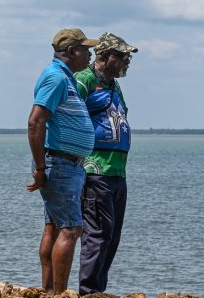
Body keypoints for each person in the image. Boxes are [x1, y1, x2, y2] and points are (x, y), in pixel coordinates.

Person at [26, 27, 98, 295]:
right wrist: (41, 168)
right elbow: (35, 121)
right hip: (60, 163)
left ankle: (47, 291)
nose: (89, 56)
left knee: (54, 226)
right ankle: (58, 293)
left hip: (65, 163)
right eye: (86, 50)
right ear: (71, 51)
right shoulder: (56, 78)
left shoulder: (64, 78)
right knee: (71, 229)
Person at [75, 32, 138, 295]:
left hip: (117, 171)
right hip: (95, 169)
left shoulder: (114, 84)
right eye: (122, 56)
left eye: (128, 57)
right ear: (104, 56)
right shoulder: (84, 80)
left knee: (111, 237)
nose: (127, 61)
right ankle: (89, 291)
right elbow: (66, 116)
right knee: (98, 235)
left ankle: (98, 289)